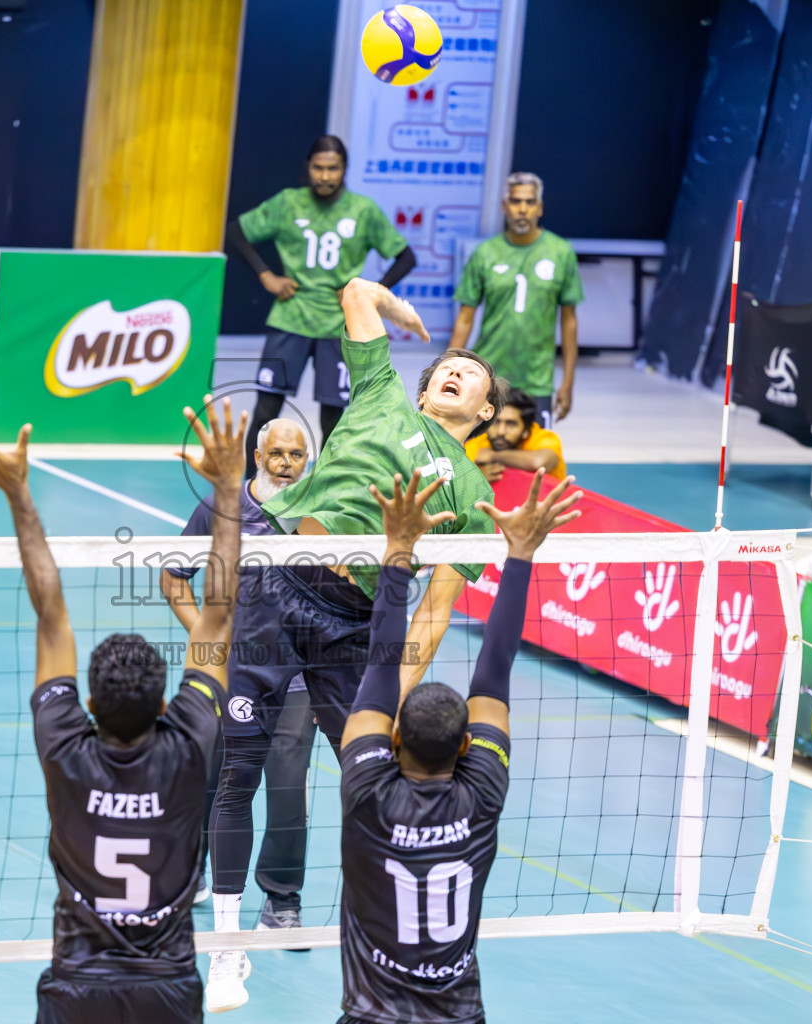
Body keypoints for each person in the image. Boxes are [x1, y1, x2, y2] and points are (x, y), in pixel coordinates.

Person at [205, 278, 500, 1011]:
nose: (455, 369)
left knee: (382, 792)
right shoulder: (381, 391)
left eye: (473, 373)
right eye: (446, 366)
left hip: (355, 627)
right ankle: (225, 947)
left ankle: (390, 943)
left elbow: (434, 611)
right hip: (279, 582)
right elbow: (353, 294)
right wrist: (398, 310)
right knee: (238, 767)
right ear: (427, 386)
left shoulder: (471, 495)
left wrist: (389, 690)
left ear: (486, 411)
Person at [0, 398, 248, 1024]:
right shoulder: (190, 741)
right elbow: (218, 611)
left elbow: (51, 614)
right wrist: (228, 490)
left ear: (86, 705)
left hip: (79, 987)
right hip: (166, 987)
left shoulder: (64, 746)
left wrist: (18, 496)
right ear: (167, 704)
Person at [337, 468, 580, 1024]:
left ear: (393, 740)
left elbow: (381, 663)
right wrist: (519, 553)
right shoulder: (483, 793)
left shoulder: (368, 793)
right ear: (467, 744)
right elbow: (495, 671)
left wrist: (399, 547)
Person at [157, 419, 318, 931]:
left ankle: (283, 901)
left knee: (289, 787)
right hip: (231, 673)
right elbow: (173, 579)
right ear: (257, 456)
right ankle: (195, 873)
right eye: (278, 455)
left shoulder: (320, 514)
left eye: (297, 456)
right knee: (212, 778)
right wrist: (211, 642)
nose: (287, 466)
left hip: (295, 678)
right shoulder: (220, 509)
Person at [229, 135, 416, 468]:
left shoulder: (363, 210)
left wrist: (369, 293)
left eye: (333, 168)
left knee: (334, 415)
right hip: (291, 318)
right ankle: (249, 488)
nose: (325, 176)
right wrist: (266, 276)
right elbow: (237, 232)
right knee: (267, 407)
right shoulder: (288, 202)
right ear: (308, 168)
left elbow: (406, 257)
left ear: (344, 170)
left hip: (338, 325)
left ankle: (327, 493)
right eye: (319, 168)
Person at [450, 172, 583, 428]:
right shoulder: (485, 254)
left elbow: (569, 323)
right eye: (515, 201)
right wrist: (447, 369)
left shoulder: (561, 252)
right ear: (504, 206)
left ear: (540, 207)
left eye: (530, 202)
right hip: (488, 375)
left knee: (534, 462)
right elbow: (465, 319)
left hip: (537, 380)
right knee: (479, 459)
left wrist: (567, 382)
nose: (522, 209)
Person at [463, 388, 566, 485]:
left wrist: (493, 456)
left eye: (511, 424)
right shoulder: (475, 444)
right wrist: (476, 479)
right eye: (495, 422)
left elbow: (540, 462)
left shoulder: (545, 438)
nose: (501, 431)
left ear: (526, 430)